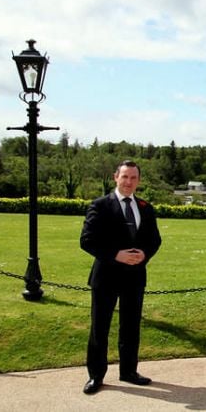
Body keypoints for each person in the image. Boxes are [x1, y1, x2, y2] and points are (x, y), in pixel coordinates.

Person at [80, 160, 162, 395]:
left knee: (131, 327)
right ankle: (96, 376)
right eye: (124, 177)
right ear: (116, 177)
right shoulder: (100, 205)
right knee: (100, 327)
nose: (129, 182)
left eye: (133, 178)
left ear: (139, 180)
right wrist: (116, 255)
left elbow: (154, 240)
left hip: (135, 277)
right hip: (106, 276)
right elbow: (87, 240)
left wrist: (144, 254)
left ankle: (129, 371)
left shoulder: (145, 207)